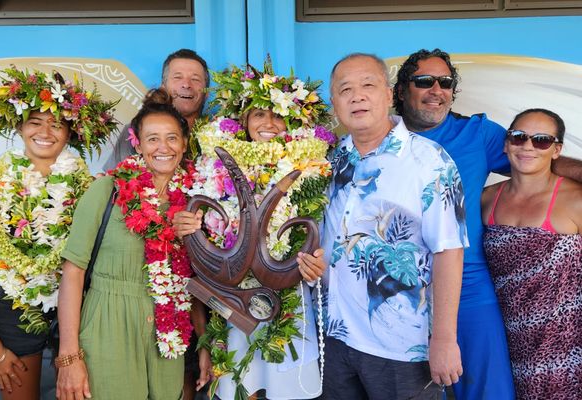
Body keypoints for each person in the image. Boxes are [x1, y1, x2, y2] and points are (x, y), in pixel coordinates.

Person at [393, 48, 582, 399]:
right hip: (396, 291)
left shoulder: (477, 134)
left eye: (445, 82)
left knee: (488, 391)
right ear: (403, 90)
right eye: (424, 81)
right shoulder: (381, 139)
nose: (437, 89)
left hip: (470, 288)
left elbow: (534, 158)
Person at [173, 60, 335, 399]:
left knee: (284, 386)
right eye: (259, 114)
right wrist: (188, 225)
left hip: (287, 297)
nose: (269, 123)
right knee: (240, 385)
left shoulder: (312, 167)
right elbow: (199, 226)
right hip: (233, 298)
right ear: (243, 121)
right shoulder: (213, 165)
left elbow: (323, 233)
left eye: (279, 115)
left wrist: (317, 262)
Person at [321, 53, 467, 399]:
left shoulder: (429, 162)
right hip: (335, 339)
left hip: (402, 346)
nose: (357, 96)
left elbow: (449, 251)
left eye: (368, 86)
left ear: (389, 95)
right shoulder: (329, 159)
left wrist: (445, 339)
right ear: (334, 103)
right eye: (346, 90)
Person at [56, 88, 207, 400]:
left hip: (168, 336)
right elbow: (73, 273)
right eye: (152, 138)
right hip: (107, 328)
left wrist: (203, 345)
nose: (163, 147)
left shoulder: (195, 203)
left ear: (184, 143)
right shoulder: (106, 191)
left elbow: (194, 284)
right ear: (138, 143)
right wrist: (69, 358)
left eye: (171, 138)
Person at [0, 66, 118, 399]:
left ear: (70, 133)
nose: (46, 131)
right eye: (35, 121)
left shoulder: (92, 188)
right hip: (15, 309)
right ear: (19, 126)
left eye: (56, 123)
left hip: (80, 312)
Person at [482, 108, 582, 399]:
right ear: (505, 144)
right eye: (518, 137)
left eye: (541, 140)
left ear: (556, 150)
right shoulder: (487, 199)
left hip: (568, 350)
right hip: (507, 345)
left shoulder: (576, 200)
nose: (527, 146)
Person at [103, 48, 209, 170]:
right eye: (178, 77)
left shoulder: (219, 135)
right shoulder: (136, 130)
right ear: (163, 88)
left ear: (206, 93)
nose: (186, 84)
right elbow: (114, 181)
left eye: (195, 79)